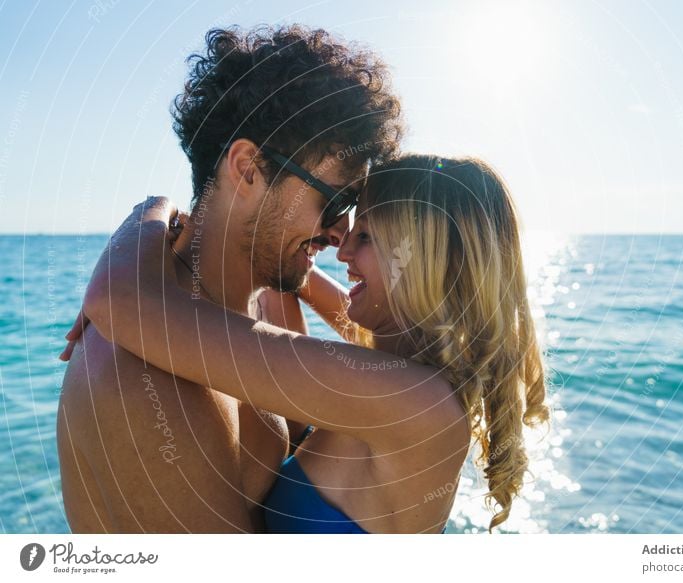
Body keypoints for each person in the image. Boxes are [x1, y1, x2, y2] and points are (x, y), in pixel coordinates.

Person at [77, 153, 550, 533]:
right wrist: (289, 244)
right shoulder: (404, 369)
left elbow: (117, 302)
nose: (342, 250)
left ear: (421, 258)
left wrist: (151, 212)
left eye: (364, 236)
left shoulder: (411, 401)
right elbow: (296, 281)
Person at [56, 24, 403, 533]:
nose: (340, 235)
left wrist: (150, 216)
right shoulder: (143, 373)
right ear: (246, 168)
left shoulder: (253, 310)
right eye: (334, 202)